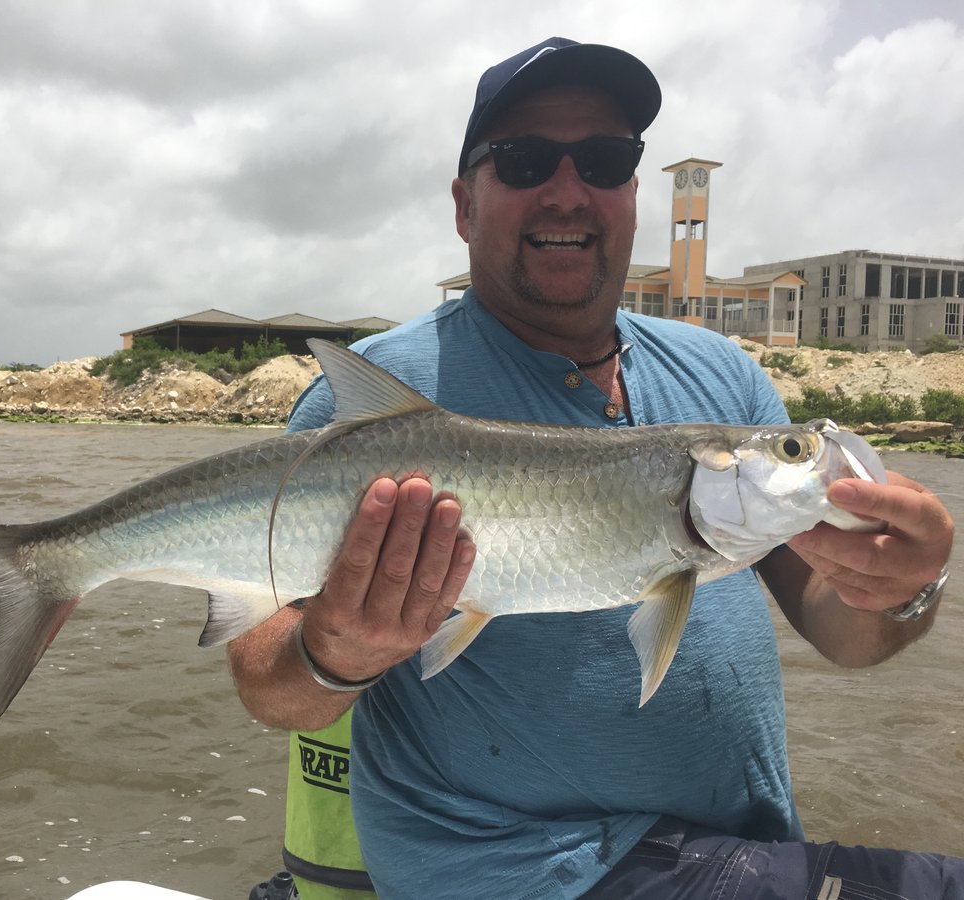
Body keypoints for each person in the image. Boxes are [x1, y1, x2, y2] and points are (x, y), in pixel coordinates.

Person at [227, 37, 959, 899]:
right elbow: (264, 682)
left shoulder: (725, 378)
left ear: (634, 196)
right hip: (517, 868)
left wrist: (900, 587)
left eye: (606, 161)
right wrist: (337, 654)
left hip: (737, 848)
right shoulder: (377, 404)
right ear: (465, 205)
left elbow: (843, 632)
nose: (568, 190)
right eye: (527, 159)